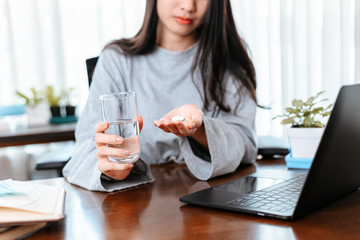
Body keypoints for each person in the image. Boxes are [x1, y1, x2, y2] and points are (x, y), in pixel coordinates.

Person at [63, 0, 258, 191]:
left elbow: (246, 145)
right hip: (134, 203)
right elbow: (84, 152)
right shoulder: (117, 61)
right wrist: (112, 169)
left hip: (211, 199)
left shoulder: (229, 59)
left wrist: (199, 129)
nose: (188, 6)